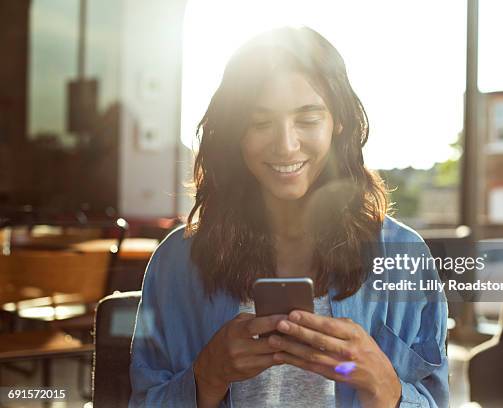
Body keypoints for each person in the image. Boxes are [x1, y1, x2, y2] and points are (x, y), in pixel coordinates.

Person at [129, 26, 448, 408]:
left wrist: (384, 386)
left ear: (338, 123)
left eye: (308, 120)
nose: (285, 145)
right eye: (260, 123)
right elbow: (143, 399)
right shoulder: (177, 262)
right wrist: (207, 377)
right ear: (235, 133)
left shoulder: (404, 258)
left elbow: (436, 398)